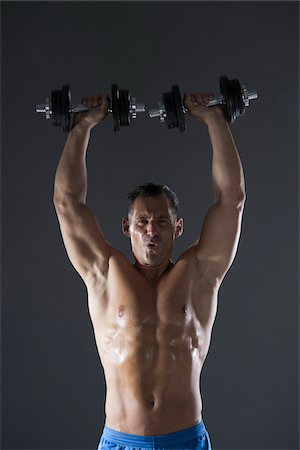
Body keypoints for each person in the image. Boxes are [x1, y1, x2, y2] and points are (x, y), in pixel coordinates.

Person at [53, 90, 246, 450]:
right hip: (120, 439)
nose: (151, 230)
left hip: (184, 439)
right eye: (142, 221)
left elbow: (231, 201)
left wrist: (216, 120)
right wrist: (82, 127)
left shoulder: (199, 272)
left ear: (178, 227)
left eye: (161, 221)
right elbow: (67, 203)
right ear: (127, 228)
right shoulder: (104, 274)